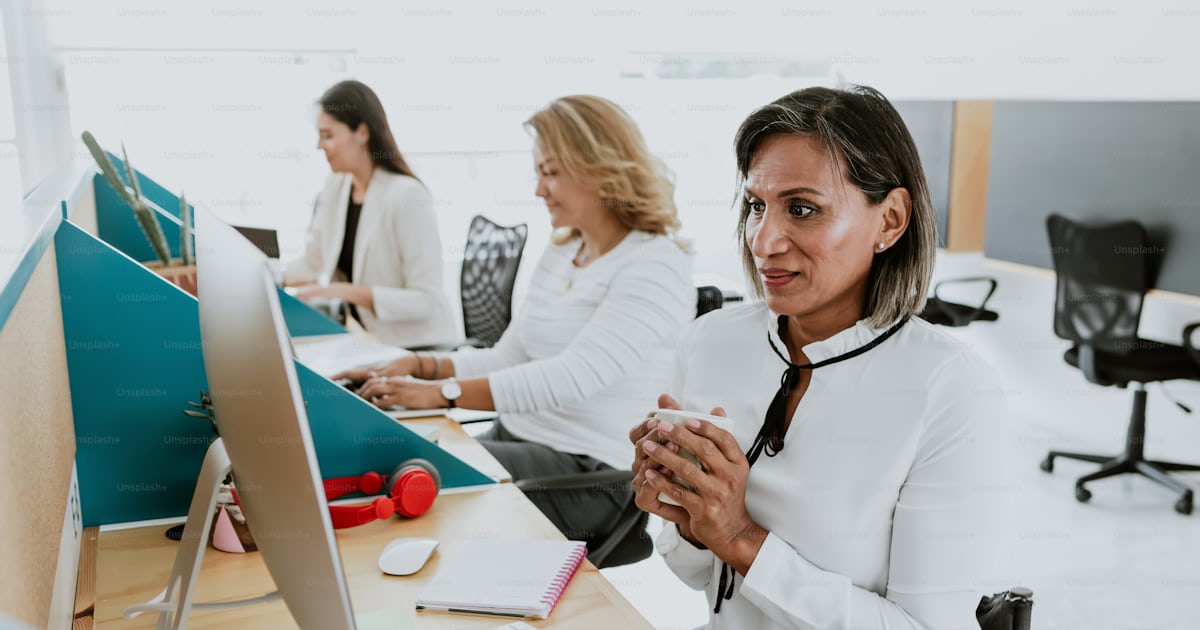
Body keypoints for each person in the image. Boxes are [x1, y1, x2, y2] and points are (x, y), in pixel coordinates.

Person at [629, 86, 1014, 628]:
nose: (763, 241)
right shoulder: (710, 342)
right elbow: (694, 575)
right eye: (757, 206)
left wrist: (741, 537)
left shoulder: (951, 388)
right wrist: (691, 518)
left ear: (890, 221)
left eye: (802, 209)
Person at [337, 95, 696, 553]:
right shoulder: (565, 249)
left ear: (600, 169)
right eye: (538, 173)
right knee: (386, 454)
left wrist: (440, 393)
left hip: (587, 476)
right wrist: (418, 365)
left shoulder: (655, 264)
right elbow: (508, 356)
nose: (539, 190)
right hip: (520, 442)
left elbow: (572, 377)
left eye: (550, 173)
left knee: (402, 469)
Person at [285, 80, 455, 347]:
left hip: (415, 349)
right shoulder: (336, 186)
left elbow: (426, 301)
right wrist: (263, 275)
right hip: (362, 341)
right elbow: (313, 262)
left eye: (328, 135)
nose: (319, 145)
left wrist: (344, 292)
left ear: (362, 132)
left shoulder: (406, 196)